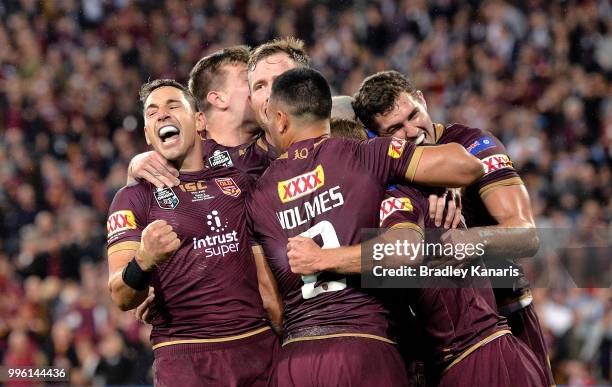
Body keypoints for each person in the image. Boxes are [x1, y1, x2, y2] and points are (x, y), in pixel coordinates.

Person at [247, 67, 483, 385]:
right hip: (365, 347)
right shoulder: (368, 154)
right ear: (326, 112)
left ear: (280, 119)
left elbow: (270, 301)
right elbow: (468, 166)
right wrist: (442, 184)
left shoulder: (258, 195)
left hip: (296, 357)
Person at [352, 70, 554, 386]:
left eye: (413, 116)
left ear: (421, 98)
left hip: (505, 320)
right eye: (395, 129)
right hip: (433, 339)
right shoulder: (385, 169)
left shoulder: (474, 145)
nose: (412, 131)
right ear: (376, 138)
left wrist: (470, 238)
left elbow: (527, 235)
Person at [106, 79, 279, 386]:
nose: (162, 115)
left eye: (173, 106)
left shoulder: (238, 177)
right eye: (152, 112)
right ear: (147, 134)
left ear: (199, 120)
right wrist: (144, 260)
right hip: (185, 356)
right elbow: (121, 296)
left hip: (256, 346)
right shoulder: (132, 198)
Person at [128, 46, 278, 186]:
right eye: (250, 81)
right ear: (218, 99)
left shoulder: (279, 144)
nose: (266, 90)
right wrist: (133, 171)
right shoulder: (174, 166)